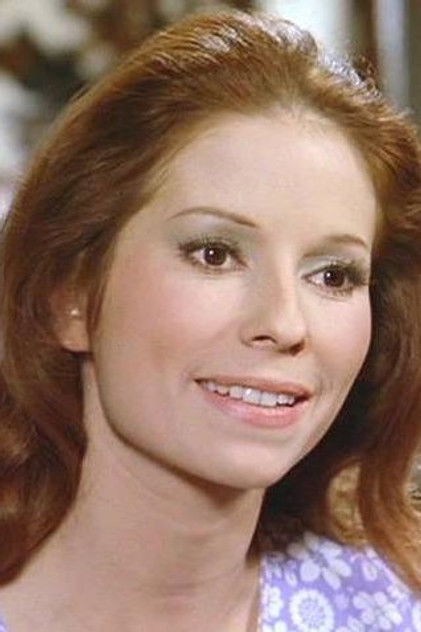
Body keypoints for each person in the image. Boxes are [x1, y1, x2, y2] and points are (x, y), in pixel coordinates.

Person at [0, 9, 420, 632]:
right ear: (72, 296)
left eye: (333, 275)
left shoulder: (390, 610)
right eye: (215, 254)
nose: (285, 323)